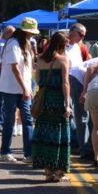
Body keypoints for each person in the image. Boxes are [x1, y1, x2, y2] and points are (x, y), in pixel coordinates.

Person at [32, 31, 72, 182]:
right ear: (62, 45)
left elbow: (37, 80)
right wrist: (67, 105)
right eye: (66, 44)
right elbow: (65, 83)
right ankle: (59, 173)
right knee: (60, 135)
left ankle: (48, 171)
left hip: (44, 102)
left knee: (45, 135)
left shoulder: (41, 59)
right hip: (57, 100)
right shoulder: (63, 60)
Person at [0, 17, 37, 162]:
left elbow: (27, 69)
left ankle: (29, 153)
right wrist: (25, 88)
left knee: (27, 120)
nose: (33, 35)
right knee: (9, 120)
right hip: (11, 89)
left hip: (23, 88)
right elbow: (15, 68)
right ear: (25, 31)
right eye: (31, 32)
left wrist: (29, 87)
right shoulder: (13, 43)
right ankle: (5, 151)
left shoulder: (26, 43)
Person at [64, 23, 91, 158]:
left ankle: (80, 144)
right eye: (81, 35)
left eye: (84, 35)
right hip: (70, 80)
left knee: (79, 114)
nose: (82, 38)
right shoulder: (64, 45)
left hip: (78, 80)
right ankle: (80, 145)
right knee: (76, 114)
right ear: (72, 32)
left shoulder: (76, 46)